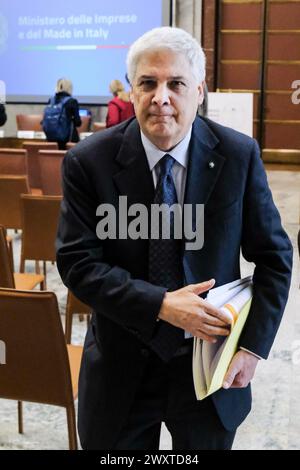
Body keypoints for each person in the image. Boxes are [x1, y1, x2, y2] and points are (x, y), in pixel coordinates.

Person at [56, 27, 293, 450]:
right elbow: (78, 263)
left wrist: (253, 348)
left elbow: (275, 256)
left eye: (176, 83)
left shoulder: (238, 156)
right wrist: (162, 306)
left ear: (199, 91)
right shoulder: (87, 162)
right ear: (132, 91)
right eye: (148, 82)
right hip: (121, 366)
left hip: (209, 368)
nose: (161, 97)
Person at [44, 78, 81, 150]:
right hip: (67, 140)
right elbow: (78, 122)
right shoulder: (72, 101)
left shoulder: (51, 100)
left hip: (50, 138)